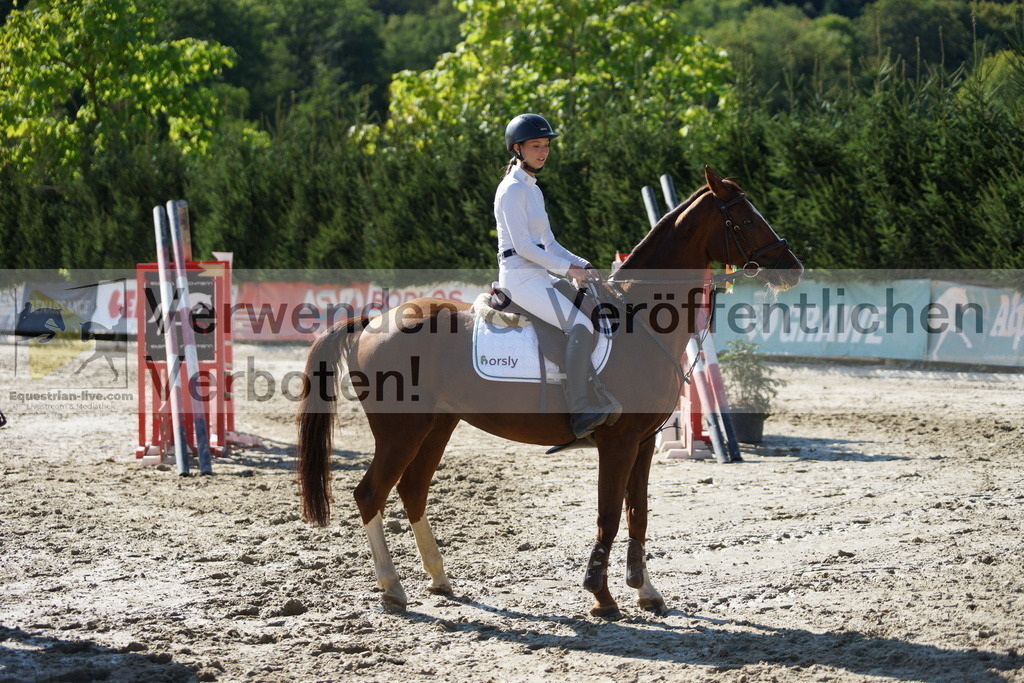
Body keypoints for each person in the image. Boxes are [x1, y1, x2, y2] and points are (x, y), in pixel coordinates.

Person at [494, 113, 618, 439]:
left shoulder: (532, 189)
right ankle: (580, 411)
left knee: (590, 312)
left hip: (537, 276)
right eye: (536, 146)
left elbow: (549, 243)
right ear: (517, 148)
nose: (543, 151)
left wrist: (583, 263)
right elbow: (523, 246)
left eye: (546, 145)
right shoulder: (511, 190)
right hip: (519, 277)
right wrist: (568, 270)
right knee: (580, 324)